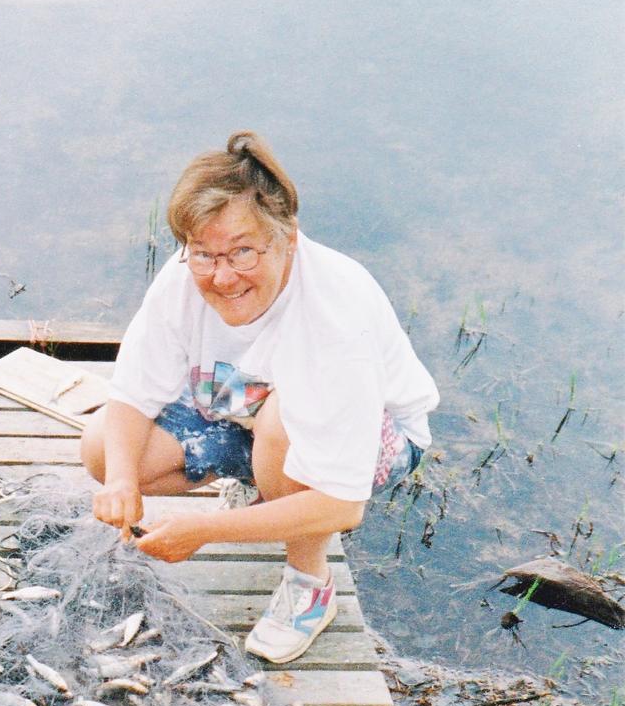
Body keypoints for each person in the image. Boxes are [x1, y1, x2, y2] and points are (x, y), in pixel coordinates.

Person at [81, 130, 439, 664]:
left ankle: (309, 585)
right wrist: (121, 480)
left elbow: (344, 503)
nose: (222, 277)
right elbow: (132, 392)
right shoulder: (185, 276)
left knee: (283, 430)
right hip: (245, 403)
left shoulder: (333, 319)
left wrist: (206, 529)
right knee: (103, 448)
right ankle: (264, 487)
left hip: (374, 434)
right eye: (204, 254)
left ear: (287, 236)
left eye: (243, 252)